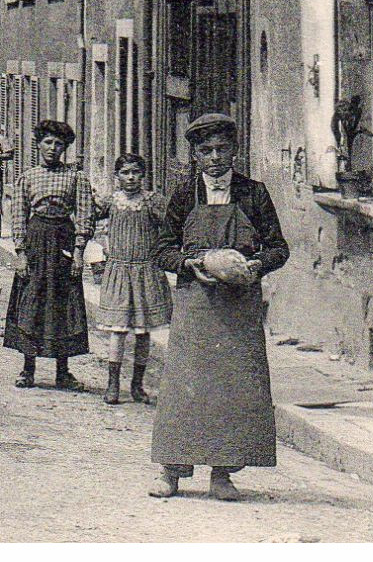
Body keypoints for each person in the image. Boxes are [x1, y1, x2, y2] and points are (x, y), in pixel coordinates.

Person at [149, 113, 288, 502]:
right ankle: (171, 472)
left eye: (222, 149)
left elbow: (279, 247)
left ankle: (223, 474)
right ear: (194, 154)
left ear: (234, 151)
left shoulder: (254, 194)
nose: (214, 158)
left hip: (239, 307)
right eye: (205, 150)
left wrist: (256, 266)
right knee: (184, 387)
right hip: (195, 304)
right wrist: (191, 263)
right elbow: (161, 250)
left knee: (234, 389)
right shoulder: (183, 195)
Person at [5, 119, 97, 391]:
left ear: (65, 147)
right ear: (39, 144)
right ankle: (28, 368)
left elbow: (84, 215)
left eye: (59, 144)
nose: (52, 148)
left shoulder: (76, 177)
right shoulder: (28, 177)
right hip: (35, 241)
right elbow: (19, 216)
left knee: (63, 303)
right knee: (32, 301)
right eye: (48, 142)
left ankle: (63, 371)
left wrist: (79, 252)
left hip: (63, 243)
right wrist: (20, 253)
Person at [95, 152, 172, 405]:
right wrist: (100, 248)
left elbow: (169, 227)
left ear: (143, 175)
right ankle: (113, 383)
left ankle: (137, 385)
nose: (131, 177)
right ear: (116, 177)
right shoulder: (110, 201)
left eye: (136, 172)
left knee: (142, 331)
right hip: (118, 272)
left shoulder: (152, 201)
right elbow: (87, 219)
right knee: (118, 330)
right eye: (125, 173)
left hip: (145, 272)